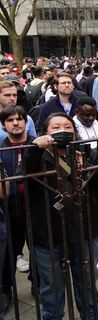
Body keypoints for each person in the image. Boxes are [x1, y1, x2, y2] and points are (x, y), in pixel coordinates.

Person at [26, 113, 98, 320]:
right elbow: (24, 179)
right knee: (52, 287)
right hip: (48, 233)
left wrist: (91, 166)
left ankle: (91, 316)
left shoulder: (82, 152)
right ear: (46, 132)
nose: (62, 130)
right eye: (55, 127)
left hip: (84, 230)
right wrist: (36, 149)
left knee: (87, 282)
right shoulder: (38, 155)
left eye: (67, 126)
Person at [0, 106, 33, 311]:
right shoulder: (2, 149)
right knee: (9, 256)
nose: (15, 123)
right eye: (10, 120)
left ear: (26, 122)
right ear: (4, 125)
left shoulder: (34, 146)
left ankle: (38, 284)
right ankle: (6, 290)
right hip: (10, 211)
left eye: (19, 119)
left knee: (39, 252)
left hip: (36, 210)